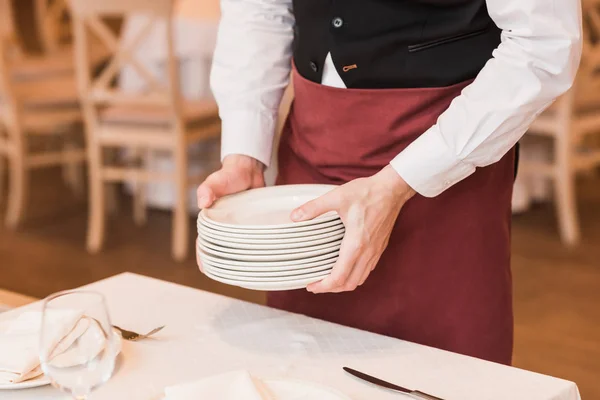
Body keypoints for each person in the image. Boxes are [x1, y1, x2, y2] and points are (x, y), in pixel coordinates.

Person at [197, 0, 582, 365]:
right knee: (301, 364)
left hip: (447, 158)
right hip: (312, 149)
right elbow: (259, 9)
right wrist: (244, 155)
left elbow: (544, 44)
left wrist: (401, 181)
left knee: (446, 373)